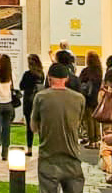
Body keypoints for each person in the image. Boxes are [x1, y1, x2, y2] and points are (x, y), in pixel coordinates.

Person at [31, 63, 86, 192]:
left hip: (48, 157)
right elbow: (78, 122)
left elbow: (34, 126)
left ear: (49, 78)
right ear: (66, 78)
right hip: (72, 157)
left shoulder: (41, 97)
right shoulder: (79, 99)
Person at [19, 54, 45, 153]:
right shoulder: (41, 74)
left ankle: (29, 148)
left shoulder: (27, 74)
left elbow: (21, 86)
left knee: (29, 125)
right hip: (38, 100)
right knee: (40, 123)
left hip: (28, 101)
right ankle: (41, 146)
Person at [77, 51, 103, 146]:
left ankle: (91, 140)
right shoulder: (99, 71)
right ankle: (97, 139)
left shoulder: (86, 71)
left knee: (89, 119)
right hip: (96, 97)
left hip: (87, 97)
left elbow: (79, 82)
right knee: (96, 119)